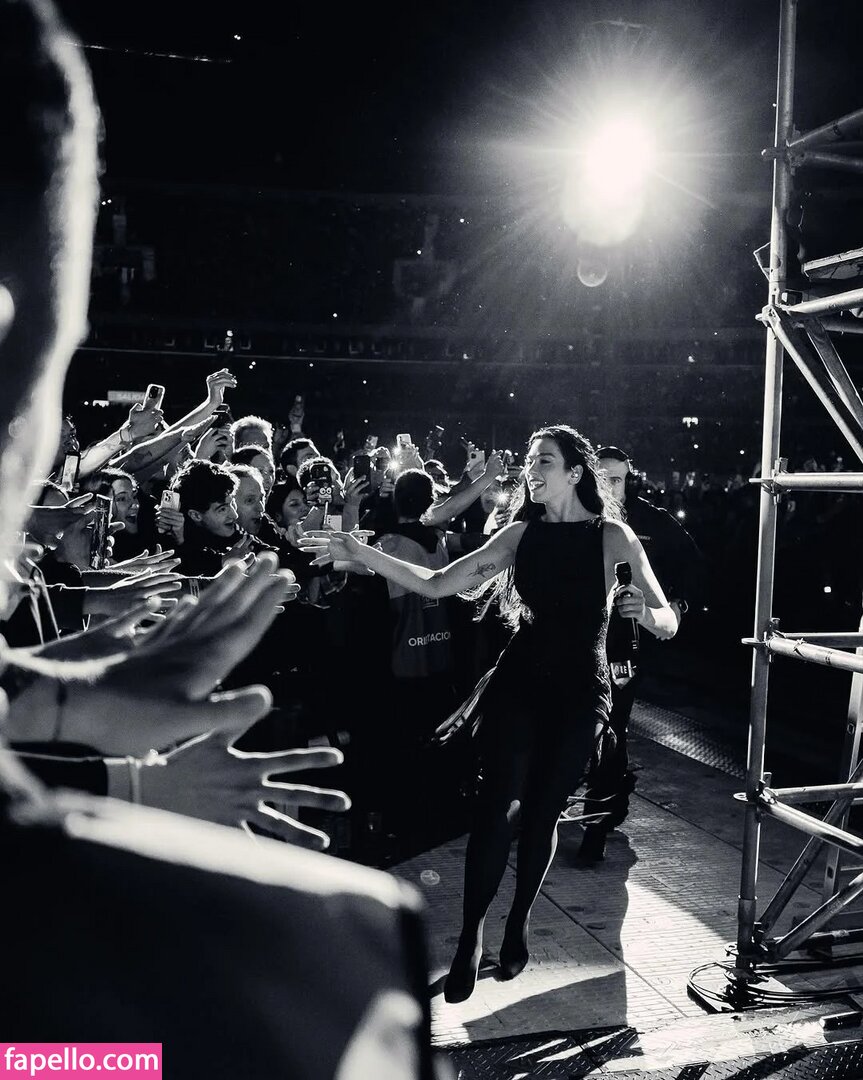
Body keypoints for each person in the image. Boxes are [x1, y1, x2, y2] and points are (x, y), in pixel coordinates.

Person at [0, 4, 436, 1071]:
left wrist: (47, 698)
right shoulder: (306, 984)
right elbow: (48, 1060)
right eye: (58, 359)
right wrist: (121, 797)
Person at [300, 423, 678, 1002]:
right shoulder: (520, 534)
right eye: (530, 460)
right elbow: (436, 584)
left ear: (575, 473)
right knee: (497, 808)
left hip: (580, 692)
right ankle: (469, 938)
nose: (531, 469)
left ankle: (518, 919)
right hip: (519, 682)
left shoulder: (614, 537)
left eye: (544, 460)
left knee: (543, 816)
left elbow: (667, 621)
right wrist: (361, 551)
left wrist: (644, 614)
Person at [575, 445, 700, 863]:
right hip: (575, 641)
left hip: (621, 647)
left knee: (611, 728)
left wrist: (674, 606)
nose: (609, 486)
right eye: (603, 477)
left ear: (628, 480)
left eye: (617, 479)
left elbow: (693, 564)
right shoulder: (576, 515)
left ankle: (597, 823)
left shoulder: (651, 521)